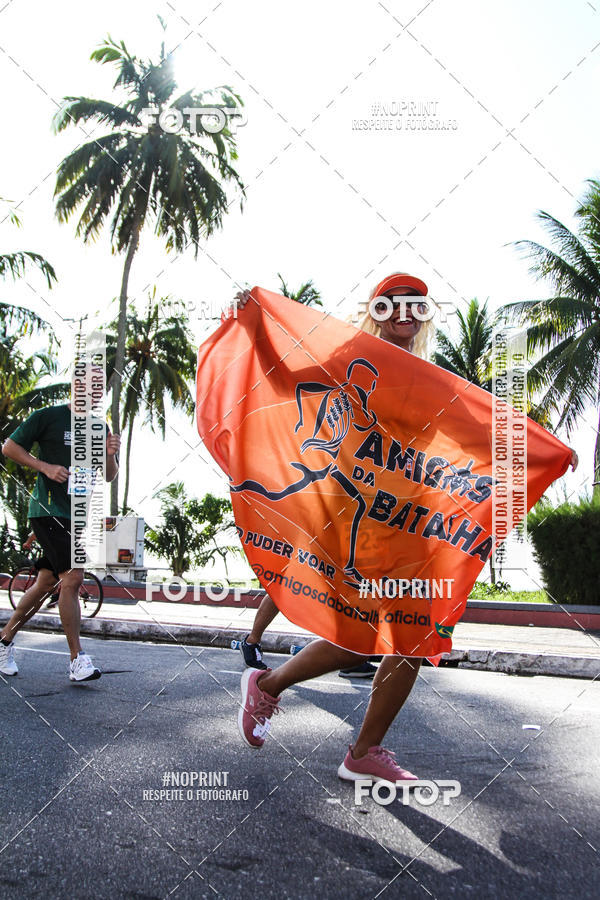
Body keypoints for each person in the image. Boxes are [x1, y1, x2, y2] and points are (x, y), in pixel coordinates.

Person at [230, 273, 579, 785]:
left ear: (426, 313)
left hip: (414, 525)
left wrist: (543, 449)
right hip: (362, 520)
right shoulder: (349, 355)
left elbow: (478, 431)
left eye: (415, 305)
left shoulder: (430, 377)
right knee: (370, 633)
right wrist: (256, 322)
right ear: (376, 308)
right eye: (391, 304)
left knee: (408, 634)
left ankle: (355, 745)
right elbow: (285, 377)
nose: (403, 313)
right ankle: (278, 689)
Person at [0, 366, 120, 681]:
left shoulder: (99, 427)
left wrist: (109, 454)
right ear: (75, 386)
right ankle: (77, 659)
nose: (95, 393)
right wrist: (46, 467)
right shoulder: (48, 416)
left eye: (100, 389)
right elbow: (9, 447)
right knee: (74, 576)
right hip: (47, 509)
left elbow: (108, 475)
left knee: (44, 584)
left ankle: (4, 640)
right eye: (89, 386)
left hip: (74, 517)